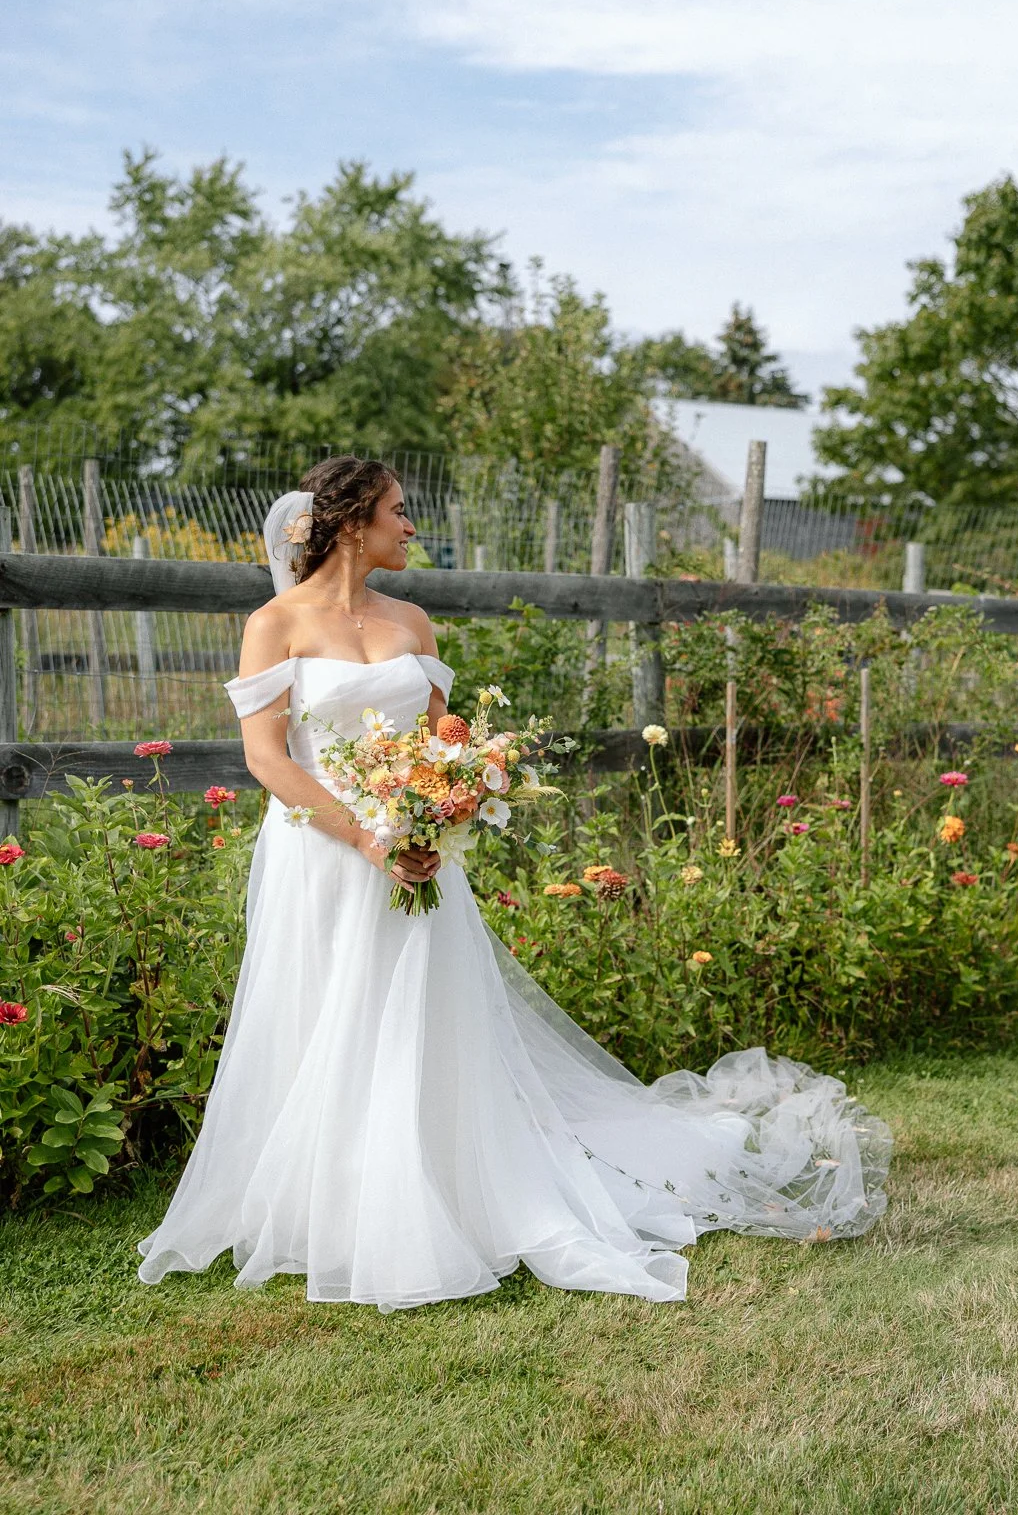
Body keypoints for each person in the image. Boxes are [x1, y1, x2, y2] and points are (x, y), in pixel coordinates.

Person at [139, 455, 891, 1309]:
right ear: (351, 522)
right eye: (397, 511)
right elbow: (267, 759)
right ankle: (336, 1207)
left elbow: (441, 744)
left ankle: (448, 1183)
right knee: (326, 1017)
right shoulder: (275, 624)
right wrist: (368, 838)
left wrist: (445, 809)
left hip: (415, 851)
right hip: (323, 852)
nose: (410, 527)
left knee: (425, 1018)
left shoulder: (412, 622)